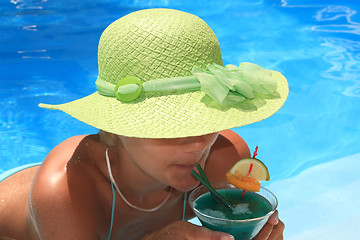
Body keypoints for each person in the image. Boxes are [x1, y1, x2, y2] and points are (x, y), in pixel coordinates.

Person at [0, 8, 287, 240]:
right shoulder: (65, 191)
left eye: (205, 120)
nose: (199, 143)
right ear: (116, 127)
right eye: (169, 125)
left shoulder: (225, 160)